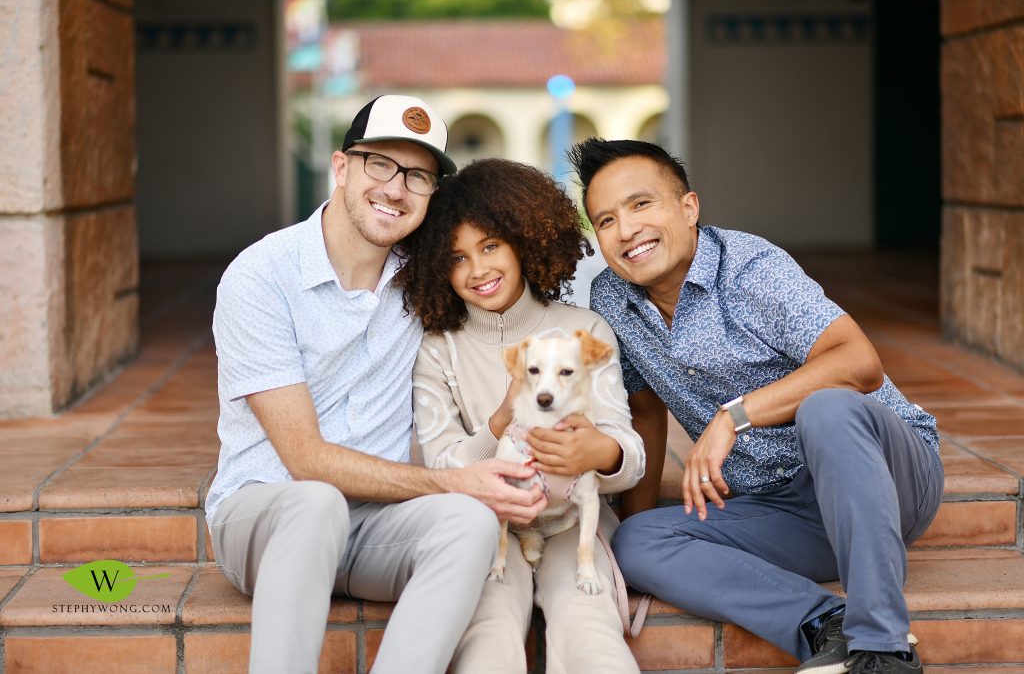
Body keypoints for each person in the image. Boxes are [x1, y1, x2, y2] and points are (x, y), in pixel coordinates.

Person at [567, 138, 943, 674]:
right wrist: (640, 533)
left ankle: (883, 649)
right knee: (637, 542)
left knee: (827, 409)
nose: (626, 230)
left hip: (887, 477)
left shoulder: (750, 268)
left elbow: (860, 363)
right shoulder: (611, 297)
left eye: (641, 204)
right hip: (785, 508)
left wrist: (733, 416)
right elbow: (644, 410)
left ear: (688, 208)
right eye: (606, 220)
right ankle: (823, 624)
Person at [205, 95, 547, 674]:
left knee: (469, 522)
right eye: (380, 164)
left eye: (418, 176)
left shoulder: (427, 278)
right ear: (341, 167)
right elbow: (305, 460)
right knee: (316, 502)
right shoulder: (261, 276)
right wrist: (450, 480)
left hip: (373, 525)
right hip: (268, 515)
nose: (396, 189)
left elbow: (507, 279)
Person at [399, 158, 645, 673]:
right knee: (487, 625)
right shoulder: (438, 349)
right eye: (457, 257)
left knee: (587, 621)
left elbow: (628, 452)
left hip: (574, 521)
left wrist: (600, 451)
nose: (478, 270)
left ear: (523, 241)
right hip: (486, 523)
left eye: (490, 246)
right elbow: (441, 466)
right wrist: (502, 417)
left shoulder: (584, 330)